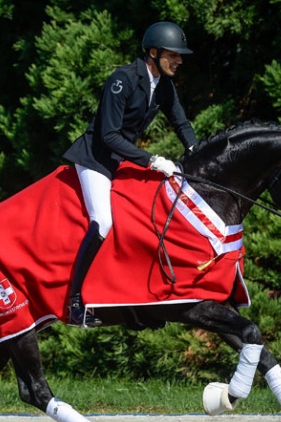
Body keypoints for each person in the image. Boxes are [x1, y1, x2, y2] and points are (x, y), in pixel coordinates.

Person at [63, 21, 197, 327]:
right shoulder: (122, 79)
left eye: (180, 55)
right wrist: (151, 160)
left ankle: (131, 301)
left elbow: (181, 124)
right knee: (104, 222)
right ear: (153, 52)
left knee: (140, 220)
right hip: (95, 160)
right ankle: (74, 303)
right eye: (173, 54)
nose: (179, 60)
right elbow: (108, 135)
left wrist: (195, 153)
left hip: (121, 160)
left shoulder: (163, 86)